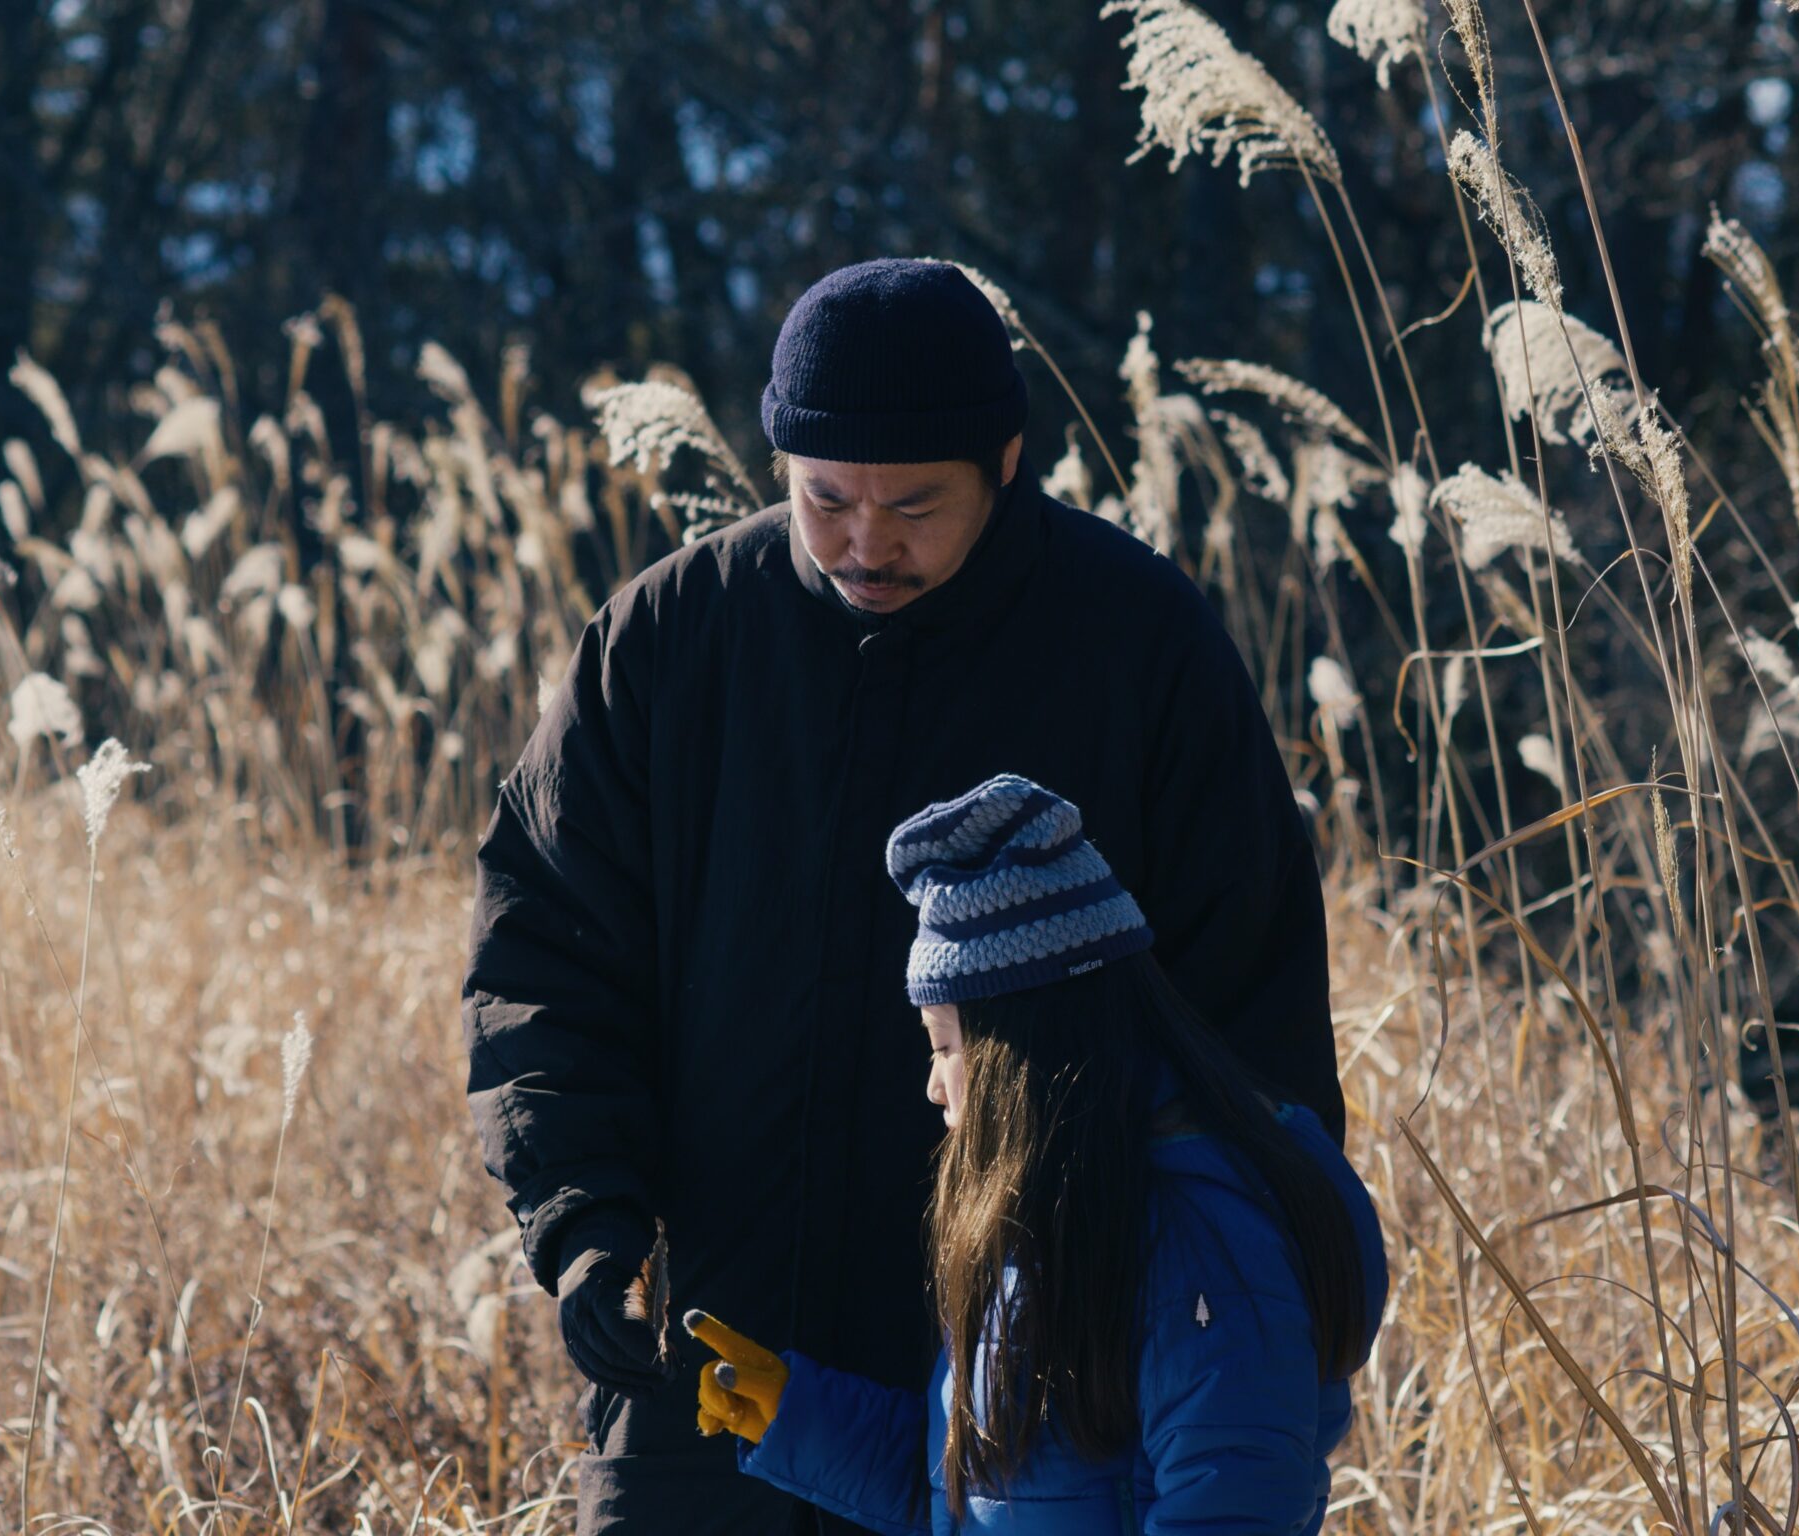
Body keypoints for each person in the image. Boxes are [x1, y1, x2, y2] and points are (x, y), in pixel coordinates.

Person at [461, 258, 1342, 1532]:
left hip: (1036, 1401)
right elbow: (543, 958)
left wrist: (1205, 1309)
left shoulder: (1139, 647)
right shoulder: (668, 641)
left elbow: (1245, 1025)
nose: (866, 543)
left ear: (1007, 461)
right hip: (713, 1380)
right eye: (824, 500)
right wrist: (583, 1217)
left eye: (915, 505)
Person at [680, 775, 1386, 1535]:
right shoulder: (1059, 1220)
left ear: (1019, 1052)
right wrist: (799, 1418)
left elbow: (1234, 1512)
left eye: (944, 1045)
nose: (932, 1085)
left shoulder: (1203, 1246)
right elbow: (981, 1498)